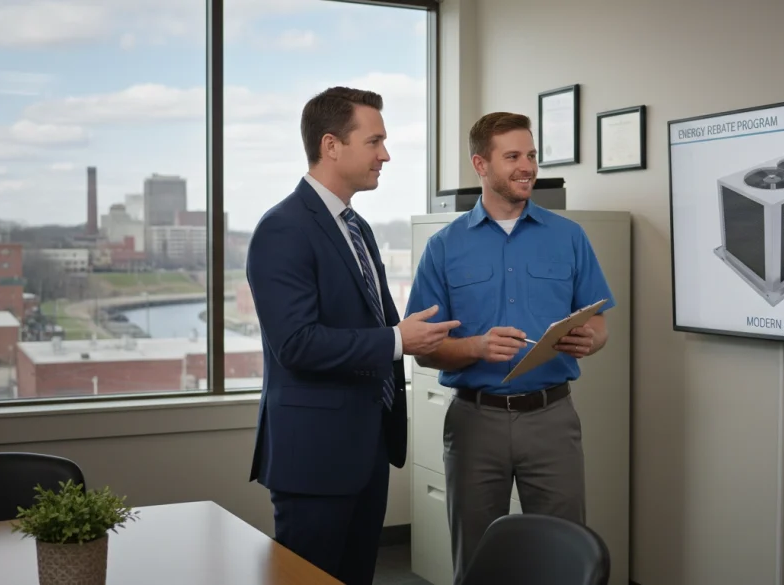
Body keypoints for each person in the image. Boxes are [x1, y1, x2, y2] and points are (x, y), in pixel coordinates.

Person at [245, 86, 460, 585]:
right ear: (331, 145)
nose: (385, 154)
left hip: (366, 451)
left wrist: (422, 336)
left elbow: (377, 322)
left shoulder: (356, 226)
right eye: (375, 141)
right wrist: (398, 340)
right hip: (314, 459)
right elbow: (296, 344)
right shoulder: (283, 229)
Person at [404, 111, 615, 584]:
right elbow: (425, 350)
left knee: (563, 552)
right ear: (481, 165)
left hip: (552, 420)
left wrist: (591, 338)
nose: (527, 167)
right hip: (475, 422)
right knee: (479, 559)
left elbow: (598, 322)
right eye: (513, 156)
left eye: (532, 155)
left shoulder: (570, 237)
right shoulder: (443, 247)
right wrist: (475, 347)